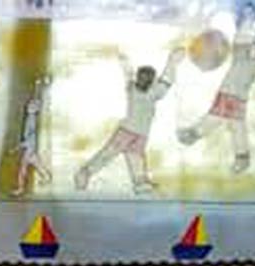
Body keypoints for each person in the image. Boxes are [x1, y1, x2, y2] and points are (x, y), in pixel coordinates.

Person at [177, 9, 255, 174]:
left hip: (237, 98)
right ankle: (198, 135)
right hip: (226, 94)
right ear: (252, 46)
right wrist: (248, 19)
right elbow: (241, 38)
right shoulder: (241, 55)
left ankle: (234, 153)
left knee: (231, 124)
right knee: (220, 120)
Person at [75, 51, 184, 194]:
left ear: (152, 80)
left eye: (146, 78)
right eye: (141, 77)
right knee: (108, 154)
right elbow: (161, 80)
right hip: (127, 131)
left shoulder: (152, 91)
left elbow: (164, 80)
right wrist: (172, 61)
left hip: (142, 134)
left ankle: (140, 182)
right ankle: (84, 173)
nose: (142, 80)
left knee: (136, 157)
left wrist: (173, 61)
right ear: (138, 77)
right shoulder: (136, 89)